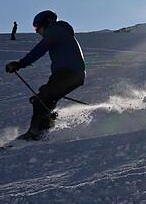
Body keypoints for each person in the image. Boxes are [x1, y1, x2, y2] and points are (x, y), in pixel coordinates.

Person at [5, 10, 86, 140]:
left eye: (37, 26)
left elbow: (40, 49)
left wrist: (20, 63)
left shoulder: (54, 30)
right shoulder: (60, 31)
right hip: (72, 74)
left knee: (42, 100)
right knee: (45, 99)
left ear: (46, 22)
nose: (36, 31)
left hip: (68, 72)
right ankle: (45, 130)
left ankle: (36, 133)